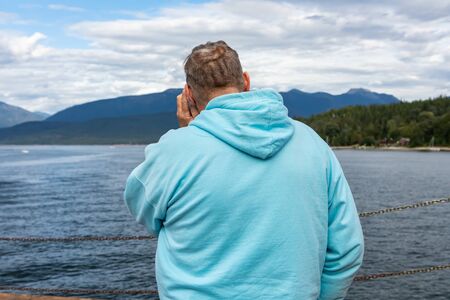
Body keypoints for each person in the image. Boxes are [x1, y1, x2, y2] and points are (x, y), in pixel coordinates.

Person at [124, 40, 364, 300]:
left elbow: (146, 213)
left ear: (189, 94)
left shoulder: (172, 152)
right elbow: (347, 248)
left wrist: (187, 135)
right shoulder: (312, 143)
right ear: (246, 81)